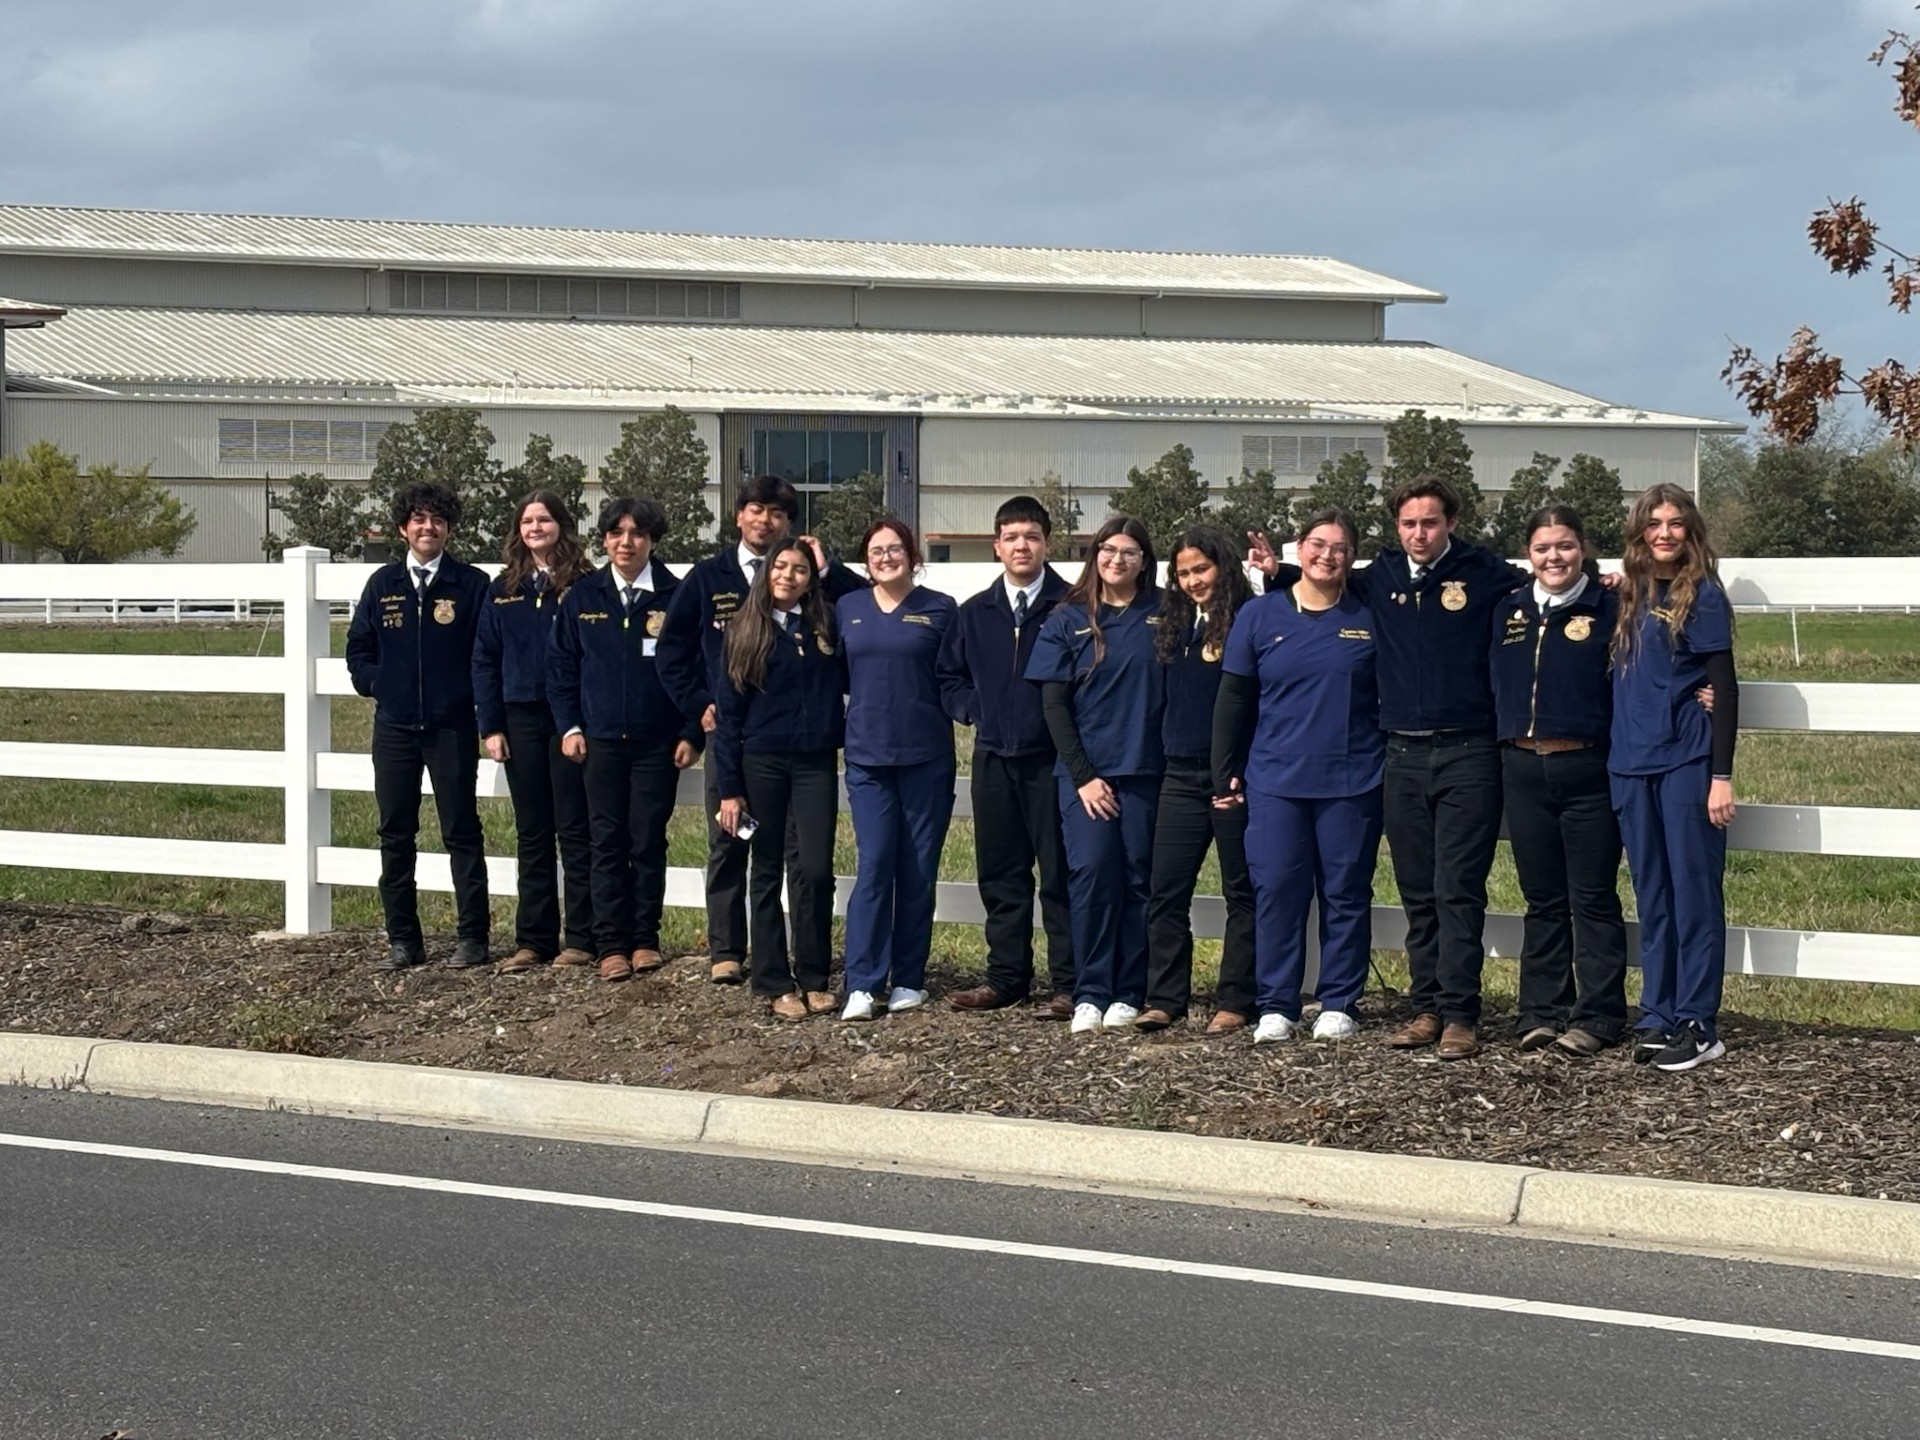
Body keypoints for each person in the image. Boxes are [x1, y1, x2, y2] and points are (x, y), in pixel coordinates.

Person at [1253, 475, 1527, 1059]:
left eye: (1430, 522)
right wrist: (1277, 573)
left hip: (1467, 752)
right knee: (1416, 890)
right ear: (1395, 527)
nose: (1420, 533)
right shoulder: (1379, 577)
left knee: (1458, 889)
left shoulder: (1485, 573)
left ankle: (1460, 1013)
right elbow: (1322, 579)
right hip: (1400, 754)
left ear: (1450, 522)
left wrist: (1605, 587)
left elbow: (1547, 589)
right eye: (1409, 524)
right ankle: (1425, 1006)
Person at [657, 475, 864, 985]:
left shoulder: (817, 597)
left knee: (804, 861)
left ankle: (805, 964)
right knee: (730, 844)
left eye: (776, 513)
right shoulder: (710, 578)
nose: (764, 520)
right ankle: (728, 949)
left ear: (788, 524)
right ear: (739, 517)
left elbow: (863, 607)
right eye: (755, 509)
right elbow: (672, 650)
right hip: (735, 739)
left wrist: (826, 568)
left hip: (805, 752)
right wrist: (699, 704)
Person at [1213, 509, 1384, 1043]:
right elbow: (1234, 696)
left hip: (1352, 780)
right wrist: (1226, 771)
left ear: (1352, 557)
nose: (1326, 555)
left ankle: (1338, 1001)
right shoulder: (1260, 617)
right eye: (1316, 544)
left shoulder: (1369, 614)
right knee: (1278, 891)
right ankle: (1277, 1004)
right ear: (1298, 548)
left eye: (1338, 547)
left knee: (1345, 892)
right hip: (1274, 780)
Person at [1489, 504, 1629, 1057]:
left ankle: (1597, 1016)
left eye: (1565, 546)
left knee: (1592, 896)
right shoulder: (1508, 611)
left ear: (1584, 550)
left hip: (1587, 768)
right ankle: (1540, 1011)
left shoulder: (1612, 608)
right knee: (1541, 898)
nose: (1555, 557)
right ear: (1529, 553)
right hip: (1522, 768)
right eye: (1544, 547)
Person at [547, 496, 704, 983]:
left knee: (647, 841)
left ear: (652, 540)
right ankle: (610, 944)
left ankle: (644, 940)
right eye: (616, 533)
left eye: (636, 533)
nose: (626, 542)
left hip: (659, 742)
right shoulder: (582, 597)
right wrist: (570, 726)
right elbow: (560, 668)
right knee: (606, 842)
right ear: (605, 540)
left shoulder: (676, 596)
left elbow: (696, 669)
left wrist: (690, 731)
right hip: (599, 743)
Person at [1610, 483, 1739, 1072]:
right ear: (1639, 532)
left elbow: (1726, 687)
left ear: (1691, 531)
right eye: (1653, 524)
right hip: (1629, 765)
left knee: (1693, 895)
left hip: (1686, 763)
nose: (1664, 533)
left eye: (1675, 523)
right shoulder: (1626, 593)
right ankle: (1658, 1014)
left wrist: (1721, 775)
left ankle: (1698, 1020)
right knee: (1652, 897)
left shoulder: (1703, 595)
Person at [937, 496, 1077, 1019]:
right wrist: (975, 710)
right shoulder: (975, 613)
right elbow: (947, 676)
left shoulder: (1072, 606)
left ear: (1047, 543)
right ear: (997, 546)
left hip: (1053, 761)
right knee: (1000, 873)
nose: (1022, 545)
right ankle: (1007, 978)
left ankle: (1069, 982)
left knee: (1060, 875)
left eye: (1032, 536)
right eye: (1012, 537)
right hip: (994, 757)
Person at [345, 481, 493, 971]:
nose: (427, 528)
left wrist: (470, 701)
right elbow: (358, 649)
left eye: (437, 520)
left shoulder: (470, 585)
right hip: (395, 728)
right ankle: (403, 941)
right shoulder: (381, 585)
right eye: (418, 519)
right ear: (402, 528)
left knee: (461, 831)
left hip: (451, 727)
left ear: (448, 528)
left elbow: (484, 654)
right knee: (395, 832)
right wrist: (378, 684)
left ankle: (473, 938)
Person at [1025, 515, 1164, 1035]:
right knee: (1090, 878)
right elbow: (1054, 706)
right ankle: (1091, 990)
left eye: (1129, 552)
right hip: (1086, 778)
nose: (1117, 560)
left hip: (1147, 771)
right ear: (1094, 555)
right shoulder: (1067, 619)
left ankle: (1129, 990)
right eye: (1108, 550)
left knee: (1137, 880)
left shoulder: (1165, 612)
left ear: (1144, 560)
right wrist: (1083, 775)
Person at [712, 538, 847, 1020]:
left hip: (814, 764)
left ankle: (814, 975)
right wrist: (729, 789)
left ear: (813, 579)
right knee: (764, 871)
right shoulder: (744, 630)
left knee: (813, 869)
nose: (789, 576)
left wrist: (829, 564)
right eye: (781, 567)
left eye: (802, 570)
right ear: (766, 573)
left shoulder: (826, 624)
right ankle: (773, 979)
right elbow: (728, 718)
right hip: (760, 764)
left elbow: (857, 592)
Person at [837, 519, 958, 1020]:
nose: (886, 557)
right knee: (874, 866)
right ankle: (862, 982)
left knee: (918, 870)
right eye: (876, 550)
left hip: (926, 759)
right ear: (865, 560)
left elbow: (955, 675)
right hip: (867, 757)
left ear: (912, 554)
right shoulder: (847, 609)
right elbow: (839, 675)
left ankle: (909, 978)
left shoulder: (940, 609)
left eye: (895, 548)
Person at [472, 490, 597, 975]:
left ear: (562, 526)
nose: (535, 528)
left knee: (575, 828)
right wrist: (491, 725)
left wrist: (580, 721)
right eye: (527, 521)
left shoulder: (585, 584)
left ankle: (582, 938)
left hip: (571, 719)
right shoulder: (503, 587)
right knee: (532, 831)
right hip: (520, 716)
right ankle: (533, 940)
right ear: (518, 530)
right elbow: (484, 657)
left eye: (544, 519)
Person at [1140, 525, 1258, 1034]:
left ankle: (1234, 1000)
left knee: (1241, 893)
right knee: (1166, 891)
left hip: (1231, 781)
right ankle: (1166, 998)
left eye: (1201, 569)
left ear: (1224, 567)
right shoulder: (1174, 625)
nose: (1192, 581)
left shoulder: (1248, 621)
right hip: (1179, 776)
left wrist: (1242, 772)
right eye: (1183, 572)